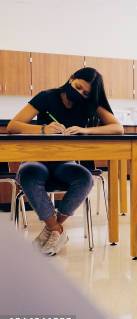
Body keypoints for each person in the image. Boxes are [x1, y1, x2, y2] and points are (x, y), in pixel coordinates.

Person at [7, 67, 124, 256]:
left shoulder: (87, 104)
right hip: (38, 159)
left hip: (65, 163)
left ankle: (53, 228)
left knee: (85, 178)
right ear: (71, 79)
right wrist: (43, 129)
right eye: (78, 87)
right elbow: (13, 126)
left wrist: (85, 130)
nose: (80, 93)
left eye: (85, 93)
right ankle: (57, 230)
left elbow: (118, 128)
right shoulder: (46, 97)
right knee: (28, 173)